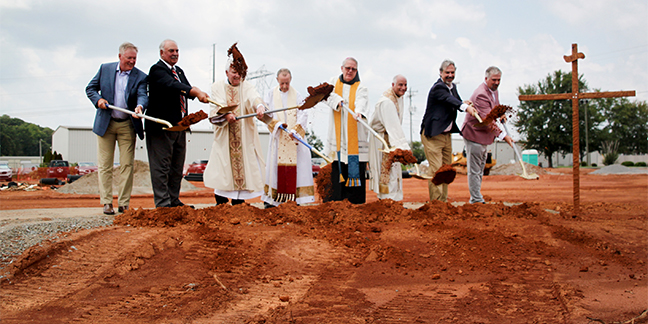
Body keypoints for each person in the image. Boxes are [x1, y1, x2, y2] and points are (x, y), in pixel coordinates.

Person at [203, 44, 272, 205]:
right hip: (224, 139)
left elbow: (253, 97)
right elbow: (217, 105)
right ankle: (220, 203)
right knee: (222, 171)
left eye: (240, 73)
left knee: (244, 172)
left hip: (244, 139)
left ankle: (238, 205)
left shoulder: (246, 86)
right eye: (234, 72)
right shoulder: (217, 86)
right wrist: (227, 114)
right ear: (226, 72)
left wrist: (259, 107)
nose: (237, 76)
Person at [146, 39, 209, 208]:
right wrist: (193, 91)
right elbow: (172, 85)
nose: (175, 54)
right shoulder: (157, 70)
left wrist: (199, 93)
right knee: (161, 167)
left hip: (179, 127)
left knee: (176, 167)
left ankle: (173, 200)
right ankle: (163, 203)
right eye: (171, 51)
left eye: (177, 51)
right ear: (162, 53)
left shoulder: (178, 71)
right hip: (162, 127)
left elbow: (186, 88)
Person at [85, 42, 147, 215]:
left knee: (127, 164)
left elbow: (143, 95)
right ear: (120, 56)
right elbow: (90, 88)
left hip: (128, 124)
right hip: (106, 123)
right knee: (105, 165)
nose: (132, 61)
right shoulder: (105, 69)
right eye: (129, 58)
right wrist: (98, 100)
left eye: (134, 58)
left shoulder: (141, 76)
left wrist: (140, 107)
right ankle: (106, 202)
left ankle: (124, 204)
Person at [419, 59, 477, 202]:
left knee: (446, 170)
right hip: (433, 135)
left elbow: (454, 101)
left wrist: (464, 103)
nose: (450, 75)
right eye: (447, 72)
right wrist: (466, 108)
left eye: (452, 72)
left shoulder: (452, 87)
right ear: (440, 73)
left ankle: (443, 201)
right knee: (437, 170)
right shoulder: (438, 88)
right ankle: (436, 203)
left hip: (446, 135)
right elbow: (449, 100)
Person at [261, 68, 315, 207]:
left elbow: (303, 113)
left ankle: (295, 200)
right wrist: (278, 125)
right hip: (278, 138)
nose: (285, 86)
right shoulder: (270, 95)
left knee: (298, 170)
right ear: (277, 80)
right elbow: (266, 114)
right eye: (282, 83)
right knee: (274, 169)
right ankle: (273, 201)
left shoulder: (297, 95)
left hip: (293, 139)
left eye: (287, 83)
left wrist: (295, 130)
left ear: (290, 80)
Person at [322, 57, 370, 204]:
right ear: (341, 68)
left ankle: (356, 205)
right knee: (337, 169)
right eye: (347, 68)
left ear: (357, 71)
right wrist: (337, 100)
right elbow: (326, 95)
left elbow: (362, 101)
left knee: (354, 168)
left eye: (353, 69)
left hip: (354, 138)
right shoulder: (333, 82)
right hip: (337, 137)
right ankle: (335, 204)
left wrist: (359, 112)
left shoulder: (361, 87)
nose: (350, 71)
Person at [462, 66, 513, 204]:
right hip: (474, 133)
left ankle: (477, 196)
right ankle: (476, 199)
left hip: (484, 136)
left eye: (499, 80)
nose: (497, 83)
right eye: (494, 80)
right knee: (475, 168)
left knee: (480, 167)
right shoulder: (481, 94)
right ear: (486, 79)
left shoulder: (494, 91)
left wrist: (501, 113)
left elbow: (495, 106)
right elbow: (487, 121)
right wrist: (504, 136)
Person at [368, 75, 411, 201]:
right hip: (383, 140)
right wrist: (404, 149)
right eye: (400, 85)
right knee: (387, 171)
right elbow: (393, 127)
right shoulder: (387, 102)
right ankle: (387, 201)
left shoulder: (399, 98)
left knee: (395, 170)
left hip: (392, 137)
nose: (403, 88)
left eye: (405, 85)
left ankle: (396, 201)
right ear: (393, 85)